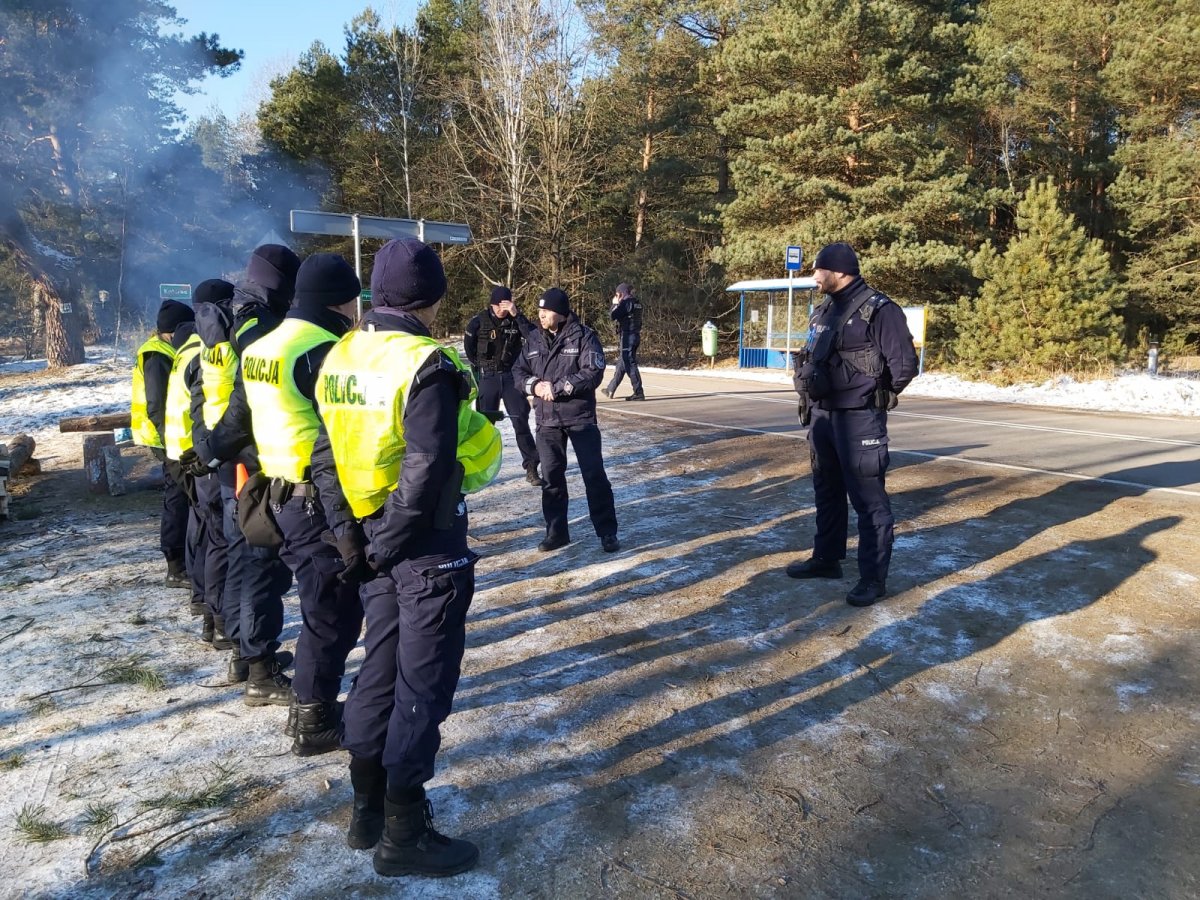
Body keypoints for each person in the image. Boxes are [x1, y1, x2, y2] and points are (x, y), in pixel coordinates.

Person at [314, 238, 500, 878]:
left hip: (368, 537)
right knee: (422, 686)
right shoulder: (427, 363)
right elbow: (427, 468)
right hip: (421, 546)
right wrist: (389, 541)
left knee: (377, 671)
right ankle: (403, 833)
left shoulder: (342, 354)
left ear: (376, 294)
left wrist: (351, 537)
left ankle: (366, 810)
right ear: (433, 298)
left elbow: (324, 453)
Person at [240, 252, 366, 755]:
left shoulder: (262, 346)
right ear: (341, 302)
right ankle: (313, 719)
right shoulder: (324, 350)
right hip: (318, 499)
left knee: (321, 605)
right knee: (331, 612)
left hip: (278, 491)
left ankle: (307, 707)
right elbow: (337, 435)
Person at [189, 245, 299, 700]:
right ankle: (260, 670)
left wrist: (211, 448)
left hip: (230, 456)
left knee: (241, 554)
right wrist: (220, 448)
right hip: (250, 458)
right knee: (260, 562)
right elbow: (249, 398)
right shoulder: (257, 324)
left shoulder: (229, 317)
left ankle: (242, 651)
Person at [788, 242, 918, 607]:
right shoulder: (824, 310)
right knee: (827, 491)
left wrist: (871, 395)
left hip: (859, 420)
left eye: (820, 269)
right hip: (822, 416)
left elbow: (904, 365)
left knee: (869, 501)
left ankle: (873, 579)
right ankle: (826, 559)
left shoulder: (880, 310)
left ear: (841, 271)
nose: (814, 276)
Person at [514, 287, 620, 553]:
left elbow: (593, 371)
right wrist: (534, 385)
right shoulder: (533, 339)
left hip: (579, 417)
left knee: (594, 475)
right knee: (551, 479)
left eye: (546, 311)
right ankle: (556, 533)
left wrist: (558, 388)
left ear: (560, 313)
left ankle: (607, 532)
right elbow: (518, 371)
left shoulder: (584, 336)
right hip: (547, 420)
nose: (541, 315)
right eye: (539, 311)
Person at [163, 279, 234, 643]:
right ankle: (217, 618)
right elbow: (203, 405)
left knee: (202, 531)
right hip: (202, 455)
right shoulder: (206, 351)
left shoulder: (190, 348)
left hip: (186, 451)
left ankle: (206, 608)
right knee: (216, 538)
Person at [131, 299, 194, 592]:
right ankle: (176, 566)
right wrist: (171, 442)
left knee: (180, 497)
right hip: (166, 438)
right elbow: (157, 404)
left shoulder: (165, 349)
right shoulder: (157, 355)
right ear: (174, 330)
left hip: (170, 436)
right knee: (178, 499)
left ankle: (182, 562)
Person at [463, 286, 542, 486]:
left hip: (511, 377)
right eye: (498, 306)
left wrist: (517, 315)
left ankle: (531, 467)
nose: (502, 310)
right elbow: (469, 348)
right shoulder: (478, 322)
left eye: (505, 305)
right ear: (492, 305)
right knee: (484, 424)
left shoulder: (516, 320)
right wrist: (481, 367)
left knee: (520, 421)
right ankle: (477, 467)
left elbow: (535, 339)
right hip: (488, 376)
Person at [602, 281, 644, 400]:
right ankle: (610, 389)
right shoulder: (637, 303)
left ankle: (638, 392)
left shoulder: (626, 303)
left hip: (627, 337)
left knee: (629, 364)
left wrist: (615, 304)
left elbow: (612, 315)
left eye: (617, 294)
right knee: (622, 363)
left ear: (621, 293)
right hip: (635, 336)